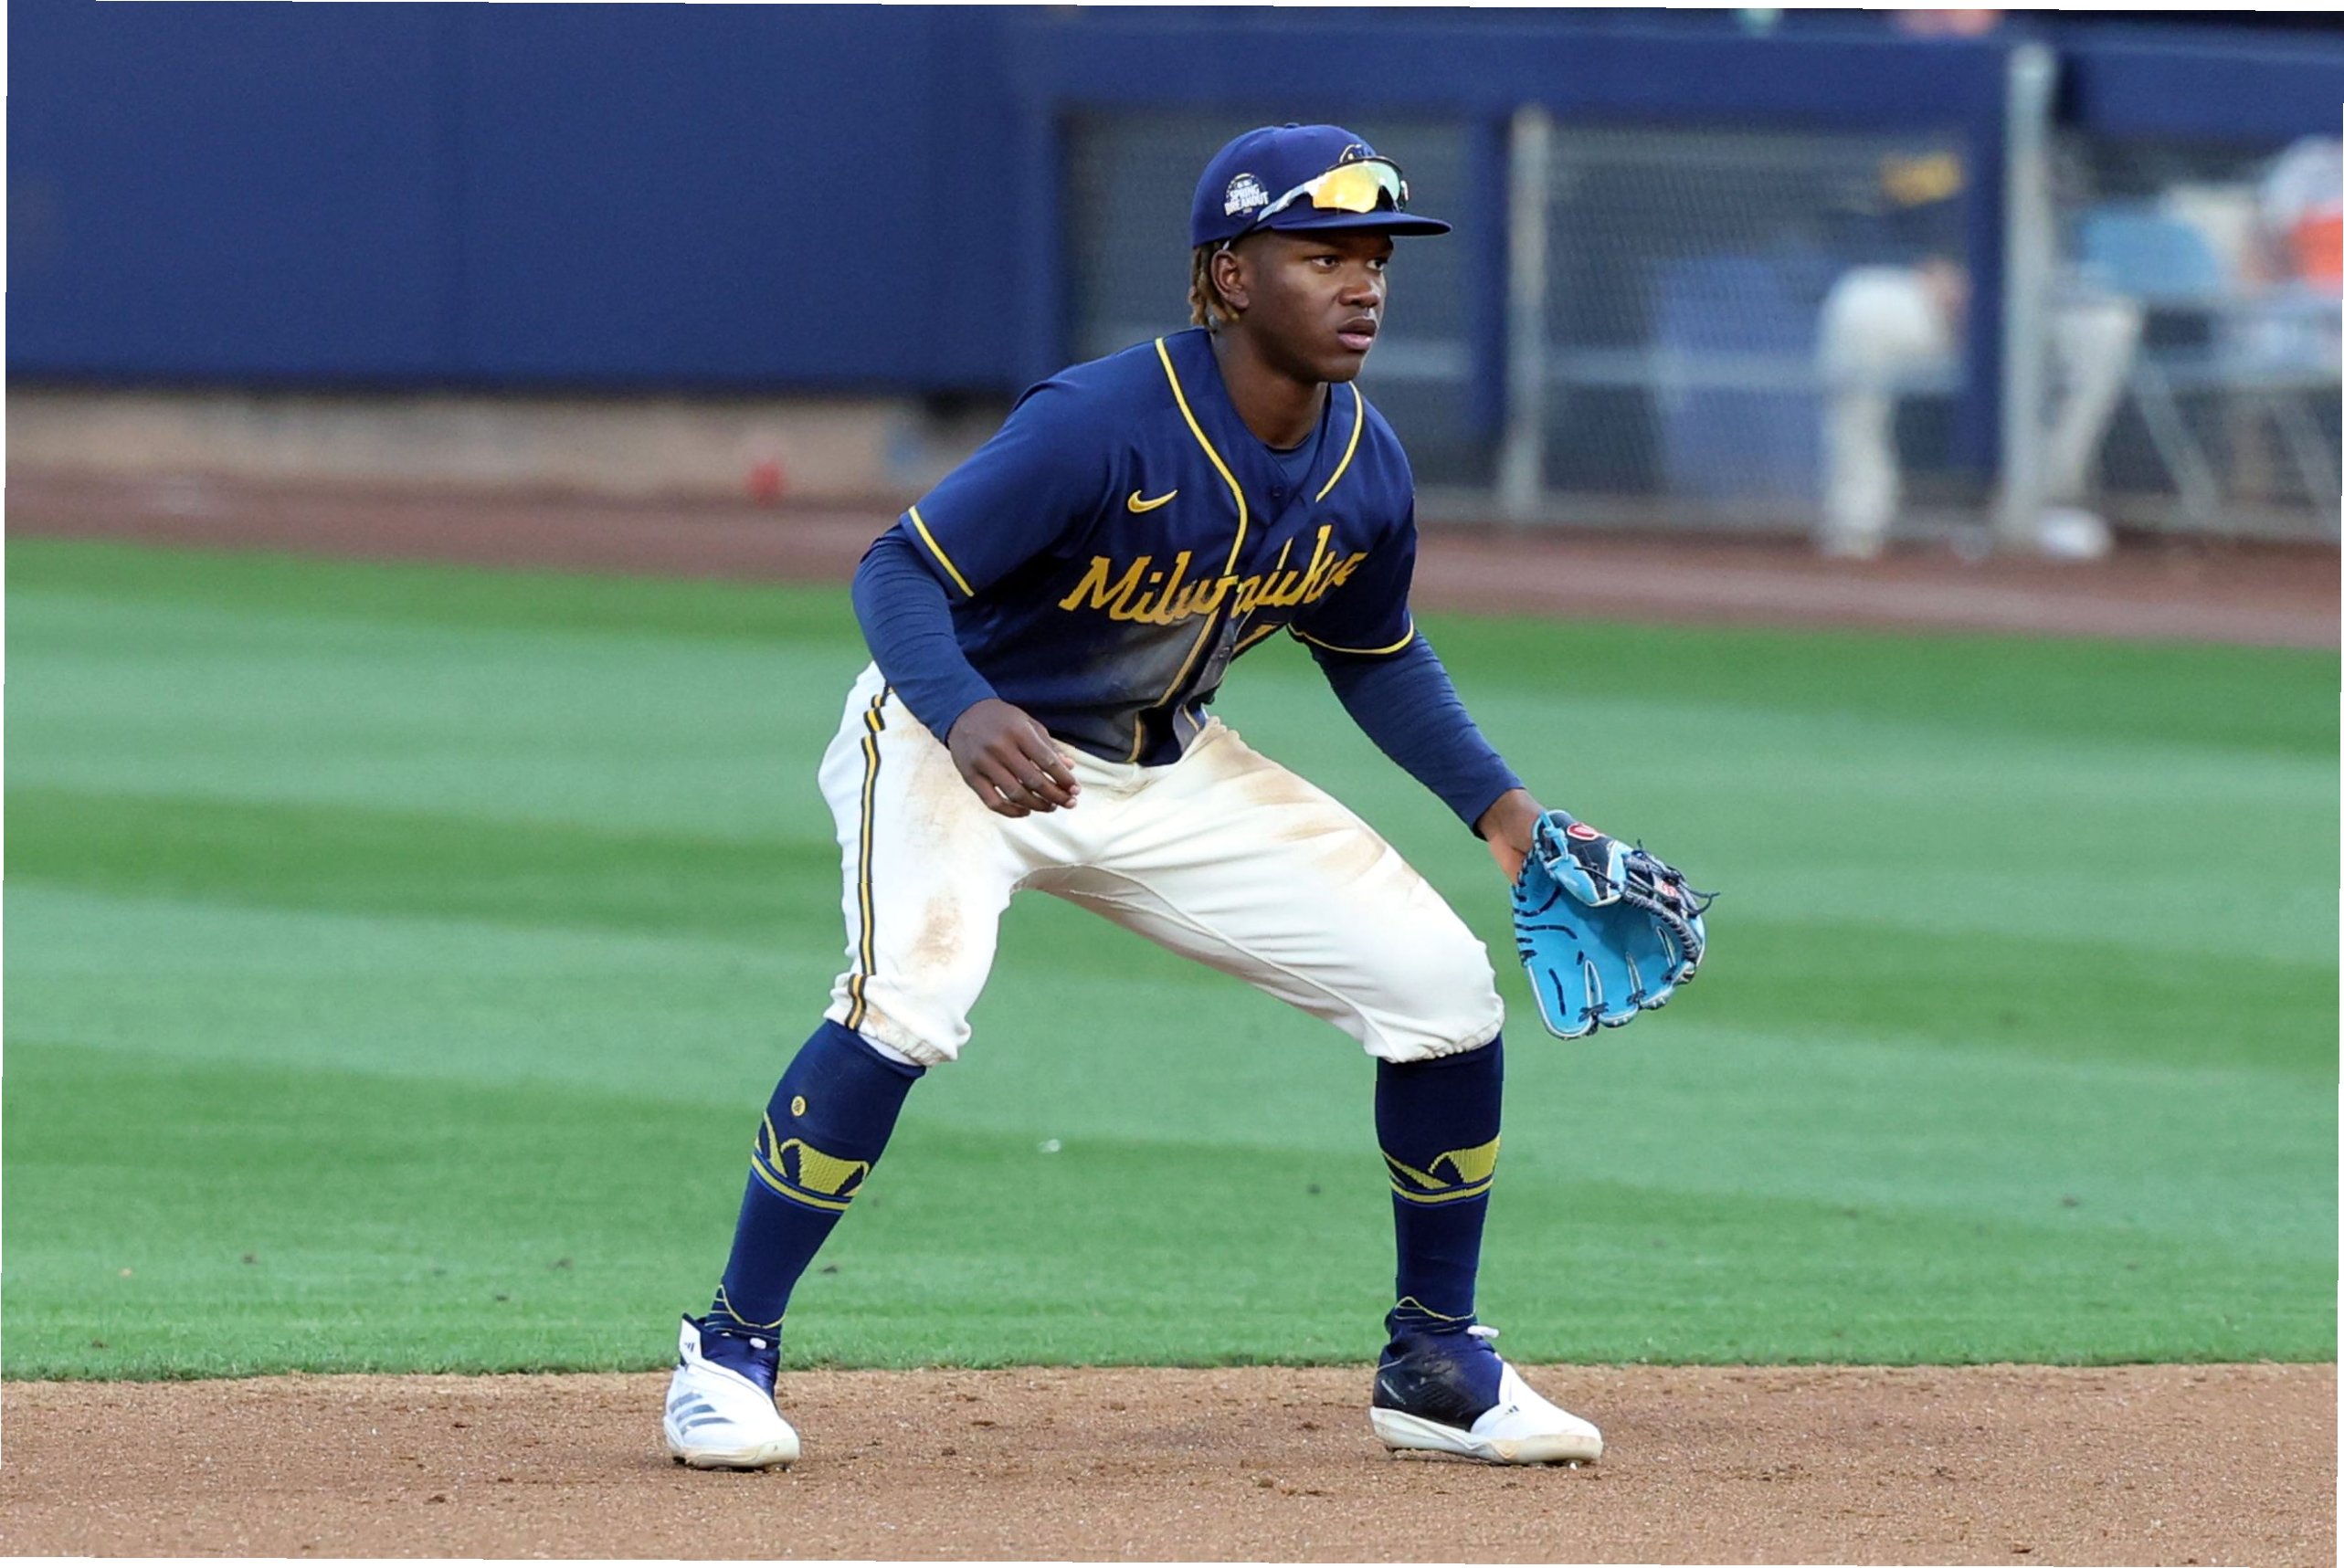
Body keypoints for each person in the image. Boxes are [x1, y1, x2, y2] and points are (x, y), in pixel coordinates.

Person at [660, 123, 1607, 1472]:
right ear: (1229, 275)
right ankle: (727, 1352)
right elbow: (896, 570)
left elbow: (1374, 652)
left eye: (1376, 259)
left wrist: (1506, 817)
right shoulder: (1100, 422)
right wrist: (962, 709)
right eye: (1322, 255)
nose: (1363, 285)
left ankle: (1435, 1363)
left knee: (1444, 994)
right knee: (908, 1001)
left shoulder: (1364, 464)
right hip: (955, 746)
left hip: (1166, 771)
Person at [1816, 150, 2142, 558]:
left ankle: (2041, 499)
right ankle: (1858, 511)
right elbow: (1849, 210)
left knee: (2106, 320)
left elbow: (2076, 208)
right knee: (1857, 307)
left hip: (2028, 293)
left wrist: (2015, 280)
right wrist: (1925, 266)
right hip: (1926, 290)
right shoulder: (1904, 128)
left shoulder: (2051, 122)